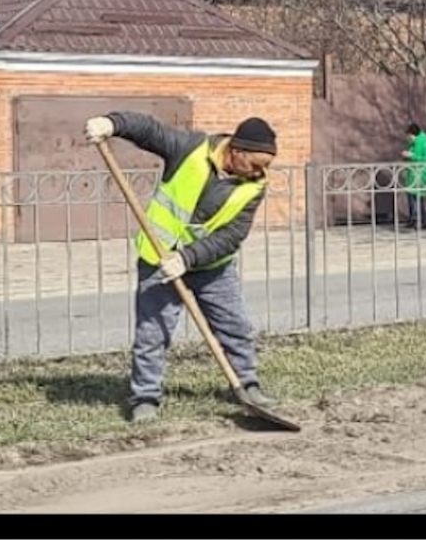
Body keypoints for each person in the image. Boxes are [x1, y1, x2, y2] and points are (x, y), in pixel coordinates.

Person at [84, 111, 280, 424]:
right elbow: (149, 130)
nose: (260, 172)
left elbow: (231, 236)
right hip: (158, 257)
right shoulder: (190, 148)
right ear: (236, 150)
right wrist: (111, 123)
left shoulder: (254, 186)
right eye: (256, 164)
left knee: (235, 326)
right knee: (153, 331)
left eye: (266, 166)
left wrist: (187, 258)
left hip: (212, 266)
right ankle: (145, 397)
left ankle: (247, 384)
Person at [400, 122, 426, 229]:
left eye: (409, 136)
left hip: (420, 174)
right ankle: (414, 219)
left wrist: (411, 156)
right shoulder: (414, 143)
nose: (408, 138)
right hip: (412, 174)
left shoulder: (423, 142)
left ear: (414, 134)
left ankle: (423, 221)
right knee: (412, 197)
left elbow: (425, 159)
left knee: (418, 199)